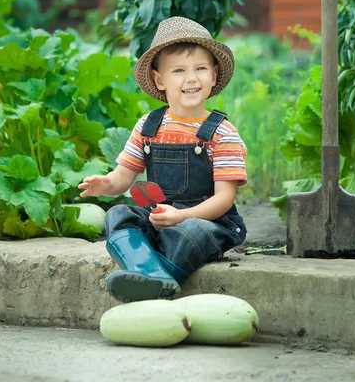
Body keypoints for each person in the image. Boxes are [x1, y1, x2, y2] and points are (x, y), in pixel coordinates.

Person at [78, 16, 247, 303]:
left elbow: (224, 200)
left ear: (214, 75)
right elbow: (123, 178)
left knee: (190, 232)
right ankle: (147, 271)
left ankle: (157, 278)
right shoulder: (149, 126)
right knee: (118, 215)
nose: (191, 78)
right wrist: (105, 184)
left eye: (201, 69)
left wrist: (181, 216)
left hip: (206, 222)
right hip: (160, 218)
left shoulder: (222, 133)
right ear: (160, 80)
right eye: (179, 70)